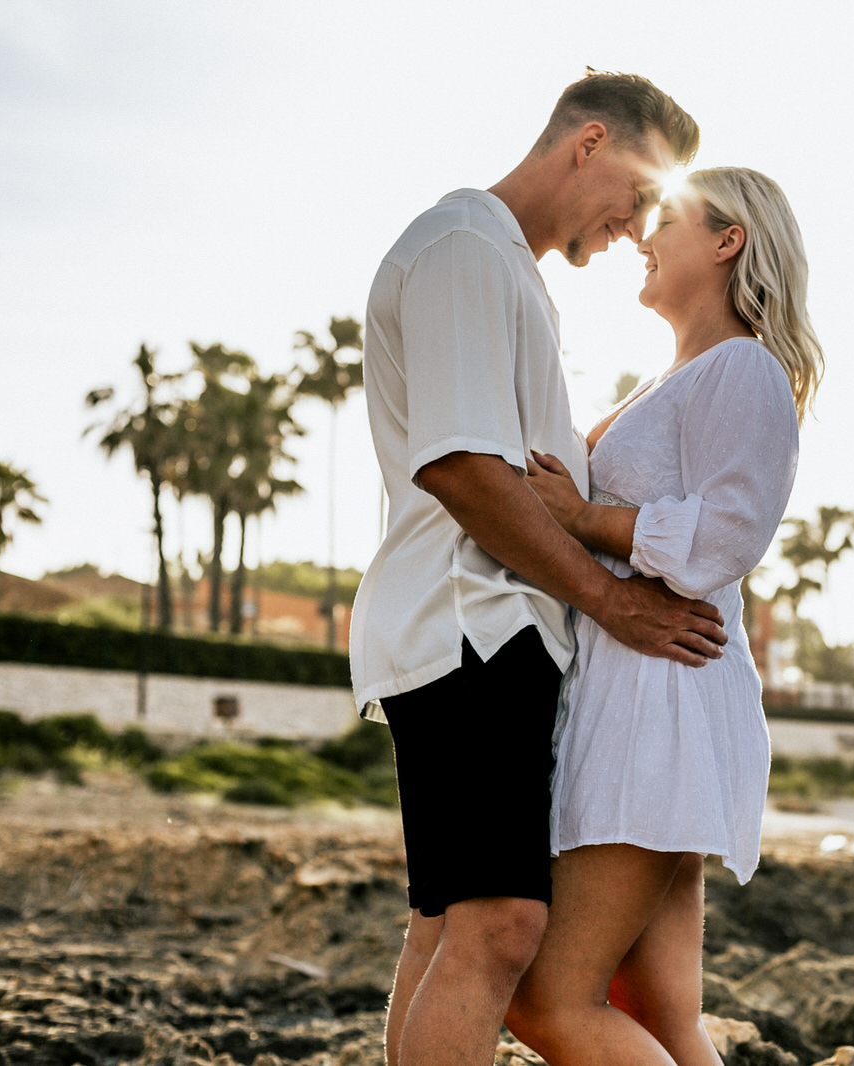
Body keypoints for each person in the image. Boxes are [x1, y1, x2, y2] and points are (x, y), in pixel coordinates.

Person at [348, 71, 729, 1066]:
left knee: (449, 925)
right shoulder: (467, 249)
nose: (635, 227)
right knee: (501, 928)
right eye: (638, 196)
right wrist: (609, 601)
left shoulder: (497, 265)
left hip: (470, 628)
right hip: (473, 625)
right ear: (589, 143)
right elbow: (463, 469)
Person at [504, 167, 823, 1066]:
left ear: (729, 242)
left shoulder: (745, 367)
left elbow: (728, 534)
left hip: (659, 707)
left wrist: (580, 517)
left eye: (668, 219)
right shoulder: (677, 377)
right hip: (648, 696)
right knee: (654, 1009)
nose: (643, 232)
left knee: (548, 1003)